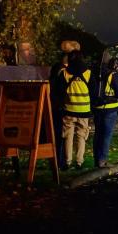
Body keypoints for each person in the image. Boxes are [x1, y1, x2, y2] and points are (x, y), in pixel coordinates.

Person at [93, 55, 118, 168]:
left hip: (97, 108)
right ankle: (103, 161)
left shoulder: (94, 73)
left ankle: (97, 160)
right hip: (110, 109)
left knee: (98, 135)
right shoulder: (112, 74)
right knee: (106, 135)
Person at [49, 40, 79, 169]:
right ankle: (60, 161)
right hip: (62, 105)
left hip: (55, 104)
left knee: (58, 134)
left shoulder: (57, 67)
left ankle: (58, 160)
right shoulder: (64, 70)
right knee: (60, 134)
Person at [62, 50, 92, 169]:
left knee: (68, 135)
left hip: (69, 109)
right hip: (84, 110)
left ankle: (67, 161)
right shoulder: (88, 73)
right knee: (81, 135)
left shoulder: (65, 73)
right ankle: (79, 161)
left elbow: (60, 91)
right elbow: (93, 91)